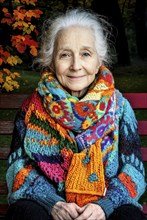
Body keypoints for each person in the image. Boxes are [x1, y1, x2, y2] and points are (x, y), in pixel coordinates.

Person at [5, 9, 146, 220]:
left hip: (105, 207)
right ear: (51, 61)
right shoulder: (31, 109)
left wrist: (104, 206)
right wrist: (53, 203)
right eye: (65, 55)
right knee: (24, 213)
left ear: (99, 61)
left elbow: (134, 172)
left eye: (86, 54)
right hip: (48, 209)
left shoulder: (120, 108)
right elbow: (18, 168)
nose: (76, 66)